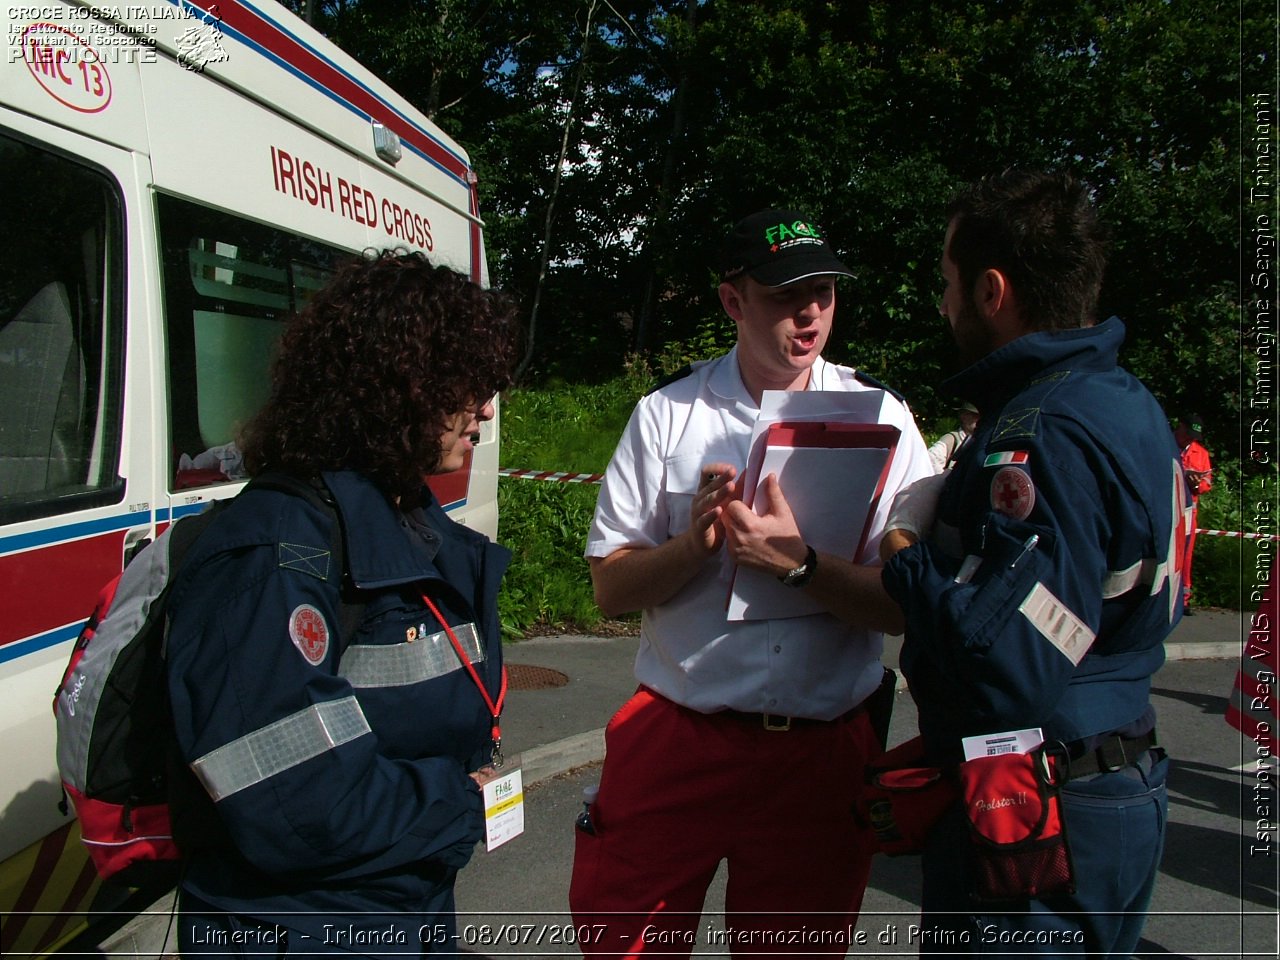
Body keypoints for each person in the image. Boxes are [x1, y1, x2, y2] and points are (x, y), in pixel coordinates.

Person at [569, 208, 933, 956]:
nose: (811, 312)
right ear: (733, 301)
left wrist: (800, 568)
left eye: (826, 292)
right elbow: (610, 589)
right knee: (626, 945)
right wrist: (693, 546)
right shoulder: (666, 416)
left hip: (821, 751)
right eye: (785, 295)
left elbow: (906, 607)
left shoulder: (884, 417)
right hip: (679, 737)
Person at [164, 250, 521, 956]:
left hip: (396, 908)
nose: (485, 408)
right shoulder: (273, 552)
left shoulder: (404, 524)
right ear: (397, 384)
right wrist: (460, 802)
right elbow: (296, 803)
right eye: (466, 383)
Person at [879, 170, 1183, 955]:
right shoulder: (1126, 400)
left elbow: (1007, 663)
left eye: (946, 283)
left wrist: (906, 550)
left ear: (991, 290)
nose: (941, 304)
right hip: (1118, 773)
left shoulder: (1039, 432)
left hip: (1044, 799)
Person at [1174, 413, 1213, 613]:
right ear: (1180, 426)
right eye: (1187, 433)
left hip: (1189, 513)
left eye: (1193, 436)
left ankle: (1184, 600)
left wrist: (1198, 485)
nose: (1189, 438)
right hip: (1168, 508)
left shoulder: (1201, 454)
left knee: (1186, 556)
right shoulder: (1165, 446)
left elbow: (1207, 482)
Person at [926, 401, 980, 472]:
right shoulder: (952, 439)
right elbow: (930, 459)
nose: (980, 419)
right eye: (976, 416)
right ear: (963, 416)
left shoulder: (980, 440)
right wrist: (944, 479)